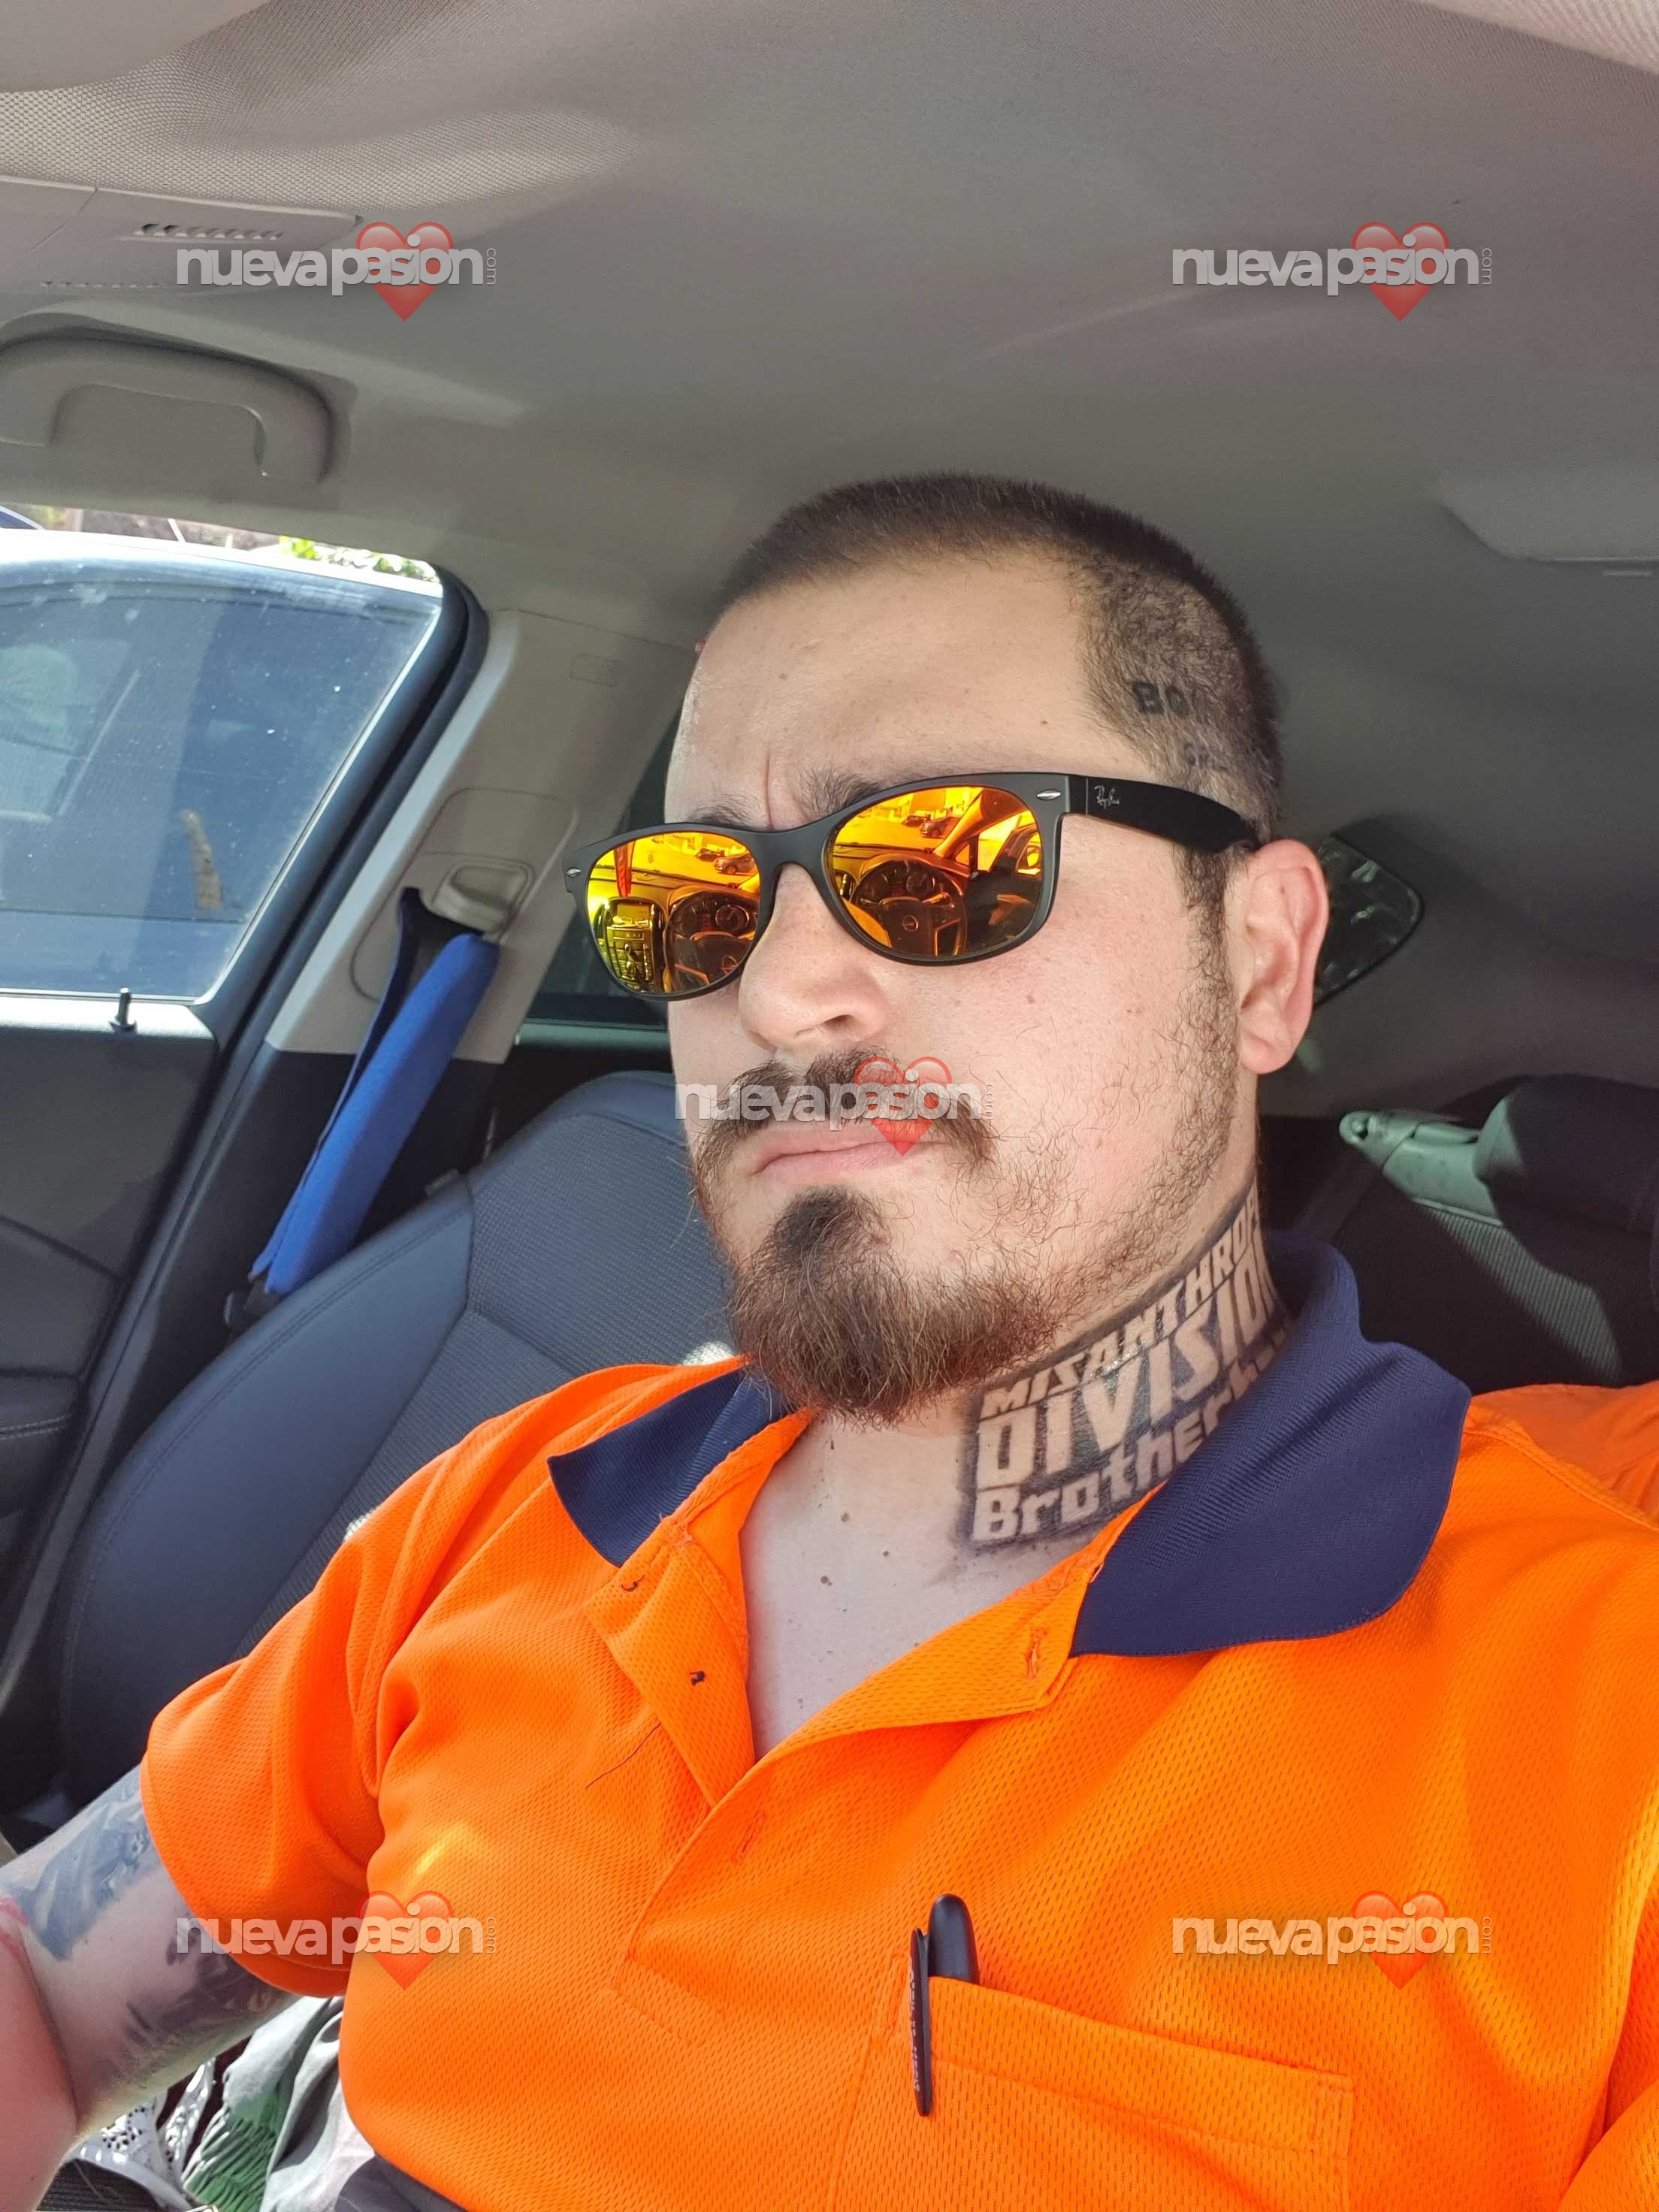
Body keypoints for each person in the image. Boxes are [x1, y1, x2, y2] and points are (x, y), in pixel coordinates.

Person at [5, 473, 1659, 2211]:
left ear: (1259, 959)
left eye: (945, 861)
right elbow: (48, 1980)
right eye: (693, 899)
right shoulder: (522, 1504)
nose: (776, 992)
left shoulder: (1593, 1717)